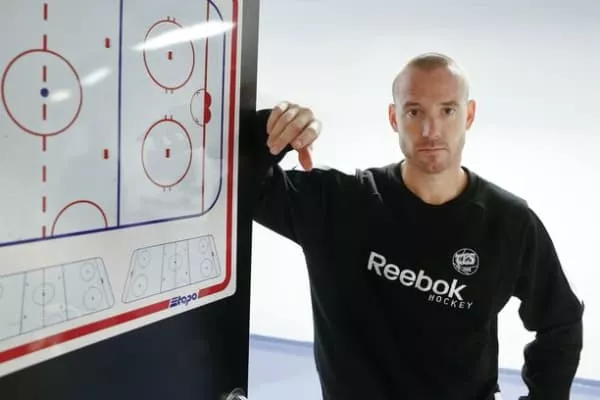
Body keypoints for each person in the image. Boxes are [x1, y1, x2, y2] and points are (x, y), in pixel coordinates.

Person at [249, 52, 584, 400]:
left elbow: (561, 322)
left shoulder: (508, 222)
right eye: (414, 112)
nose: (430, 130)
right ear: (394, 118)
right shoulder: (338, 204)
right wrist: (271, 129)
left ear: (469, 115)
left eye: (447, 110)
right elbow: (246, 187)